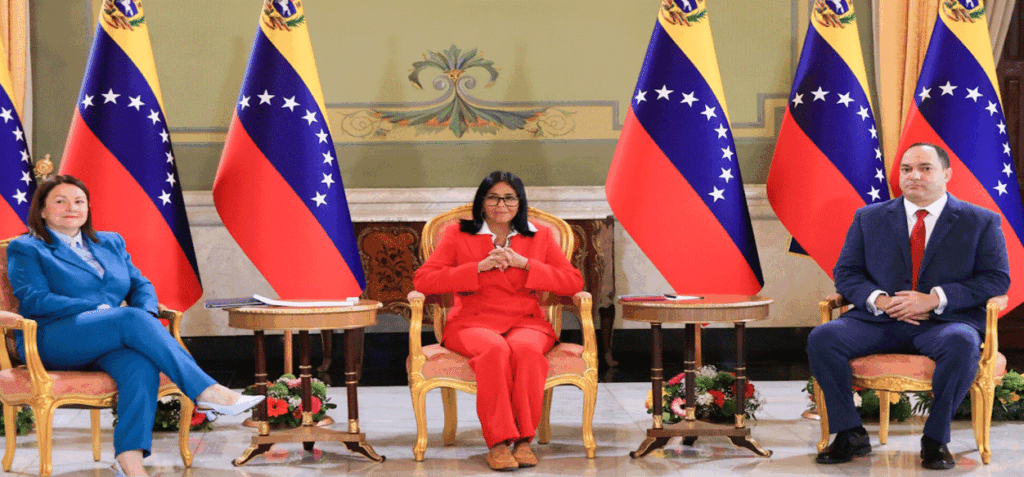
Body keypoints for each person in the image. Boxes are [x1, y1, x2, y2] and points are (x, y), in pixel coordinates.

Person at [6, 175, 264, 477]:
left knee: (139, 365)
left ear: (88, 207)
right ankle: (208, 392)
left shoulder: (110, 242)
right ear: (42, 210)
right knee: (129, 318)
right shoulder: (27, 247)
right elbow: (35, 299)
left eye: (78, 201)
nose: (71, 208)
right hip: (54, 337)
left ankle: (129, 460)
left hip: (109, 335)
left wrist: (144, 317)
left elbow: (141, 285)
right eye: (60, 202)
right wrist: (99, 309)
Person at [807, 143, 1010, 470]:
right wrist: (881, 301)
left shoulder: (980, 221)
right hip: (878, 322)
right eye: (906, 169)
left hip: (943, 324)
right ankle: (849, 433)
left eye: (925, 168)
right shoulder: (869, 218)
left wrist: (935, 298)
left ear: (947, 174)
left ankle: (935, 439)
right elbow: (846, 273)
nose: (914, 176)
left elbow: (996, 279)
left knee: (962, 342)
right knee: (823, 337)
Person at [413, 171, 584, 471]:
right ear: (481, 202)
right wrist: (476, 268)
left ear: (520, 202)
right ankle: (499, 442)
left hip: (526, 321)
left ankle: (524, 440)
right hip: (471, 321)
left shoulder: (540, 235)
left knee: (527, 351)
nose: (501, 205)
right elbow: (423, 280)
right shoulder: (457, 234)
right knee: (494, 350)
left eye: (508, 198)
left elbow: (573, 282)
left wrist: (526, 264)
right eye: (493, 198)